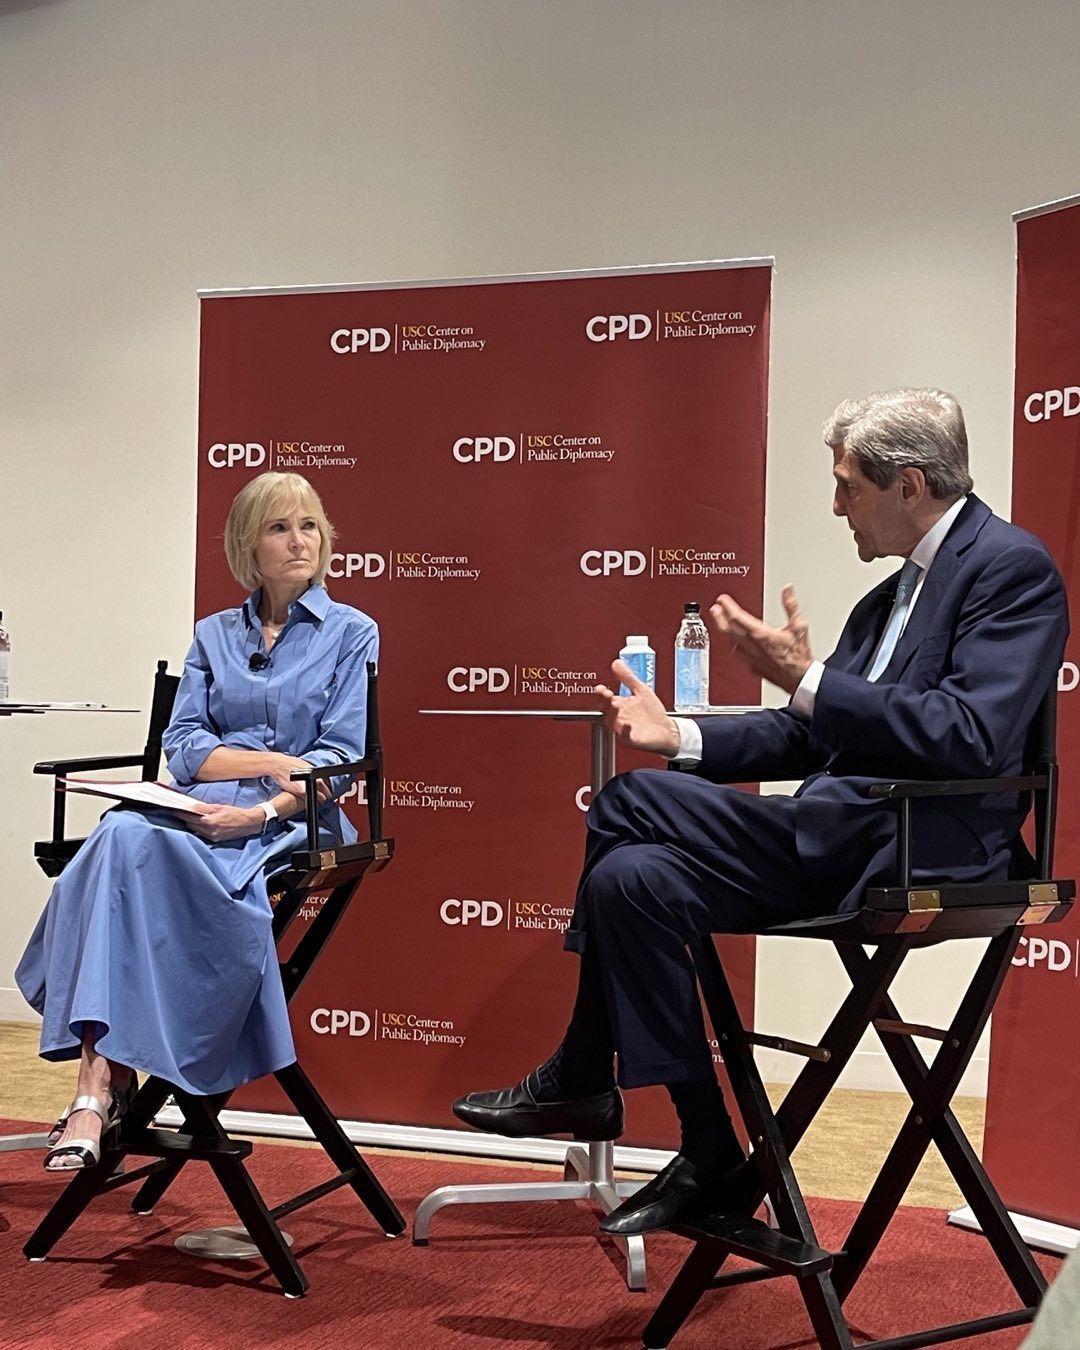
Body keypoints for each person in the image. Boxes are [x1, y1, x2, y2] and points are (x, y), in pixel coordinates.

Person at [453, 387, 1069, 1236]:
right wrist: (681, 738)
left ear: (909, 485)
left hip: (916, 848)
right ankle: (707, 1144)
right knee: (631, 879)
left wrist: (808, 678)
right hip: (844, 831)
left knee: (628, 800)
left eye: (848, 486)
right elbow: (809, 733)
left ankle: (586, 1068)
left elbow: (969, 734)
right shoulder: (888, 599)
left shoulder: (1010, 568)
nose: (838, 506)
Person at [17, 472, 378, 1171]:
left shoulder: (352, 632)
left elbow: (337, 758)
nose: (299, 541)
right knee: (120, 833)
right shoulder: (213, 635)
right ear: (248, 545)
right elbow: (183, 746)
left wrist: (259, 807)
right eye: (279, 528)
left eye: (308, 525)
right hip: (203, 807)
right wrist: (269, 760)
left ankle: (97, 1089)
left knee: (122, 850)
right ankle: (99, 1076)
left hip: (292, 820)